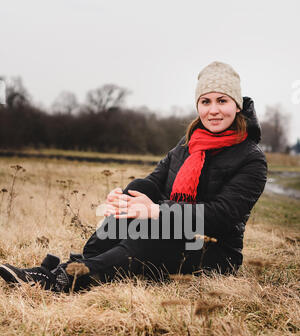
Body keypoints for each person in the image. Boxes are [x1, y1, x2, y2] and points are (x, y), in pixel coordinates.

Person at [0, 61, 267, 293]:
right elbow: (154, 181)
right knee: (137, 191)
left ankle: (58, 280)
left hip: (214, 251)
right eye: (205, 102)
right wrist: (125, 199)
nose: (213, 110)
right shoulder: (187, 145)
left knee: (151, 231)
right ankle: (86, 262)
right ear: (198, 105)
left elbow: (222, 215)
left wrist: (156, 211)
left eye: (222, 101)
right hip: (172, 231)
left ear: (237, 105)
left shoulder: (251, 158)